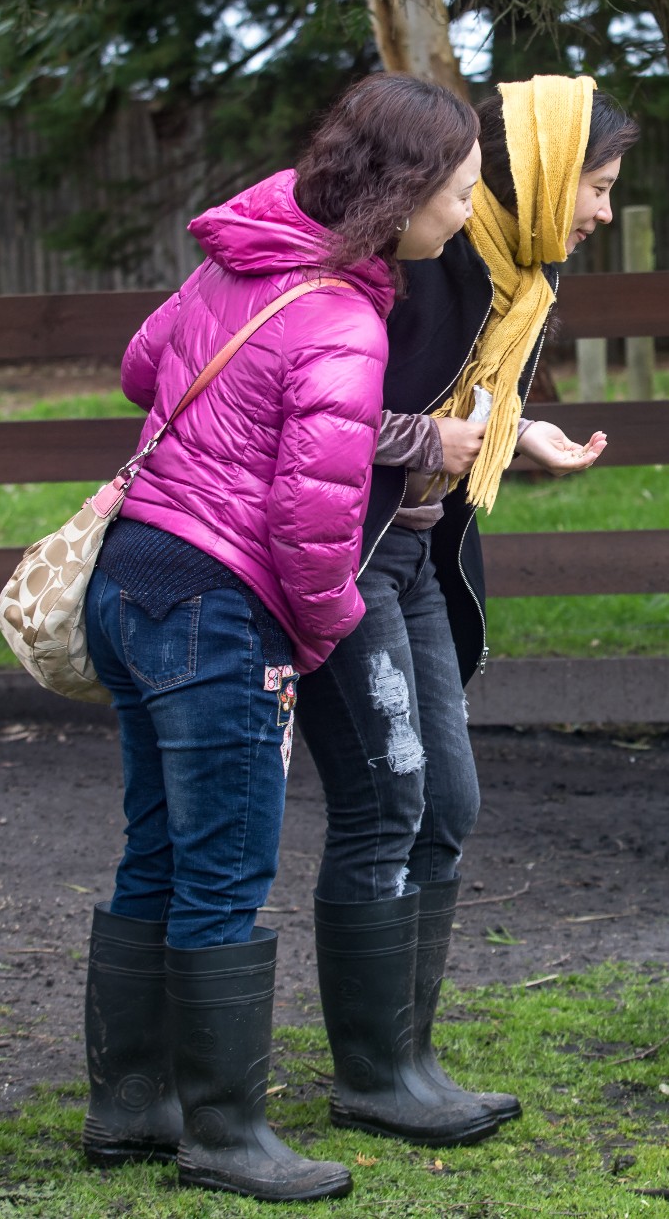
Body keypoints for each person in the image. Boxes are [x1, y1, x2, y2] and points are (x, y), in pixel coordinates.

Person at [77, 73, 481, 1204]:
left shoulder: (241, 256)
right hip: (219, 606)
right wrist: (323, 634)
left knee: (156, 847)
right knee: (225, 865)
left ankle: (130, 1106)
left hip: (132, 578)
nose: (463, 215)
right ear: (401, 193)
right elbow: (310, 532)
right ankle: (223, 1135)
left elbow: (139, 367)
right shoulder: (343, 317)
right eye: (455, 193)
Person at [296, 75, 638, 1146]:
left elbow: (458, 400)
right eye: (596, 185)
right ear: (542, 172)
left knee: (446, 805)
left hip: (418, 557)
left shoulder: (515, 273)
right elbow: (321, 409)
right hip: (344, 563)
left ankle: (406, 1058)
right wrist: (431, 444)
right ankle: (374, 1075)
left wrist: (511, 431)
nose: (601, 213)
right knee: (387, 804)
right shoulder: (422, 252)